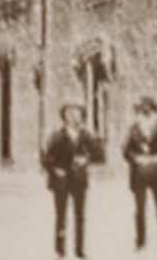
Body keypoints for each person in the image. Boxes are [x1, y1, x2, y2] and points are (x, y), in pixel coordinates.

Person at [41, 102, 96, 259]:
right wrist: (55, 170)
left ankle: (79, 250)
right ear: (64, 117)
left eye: (77, 113)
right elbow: (46, 158)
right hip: (61, 181)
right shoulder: (57, 136)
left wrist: (86, 159)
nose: (73, 116)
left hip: (79, 180)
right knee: (61, 215)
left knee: (80, 215)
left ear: (82, 116)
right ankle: (60, 250)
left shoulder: (86, 136)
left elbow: (99, 154)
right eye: (69, 113)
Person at [122, 95, 157, 251]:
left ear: (154, 110)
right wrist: (136, 158)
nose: (146, 111)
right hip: (139, 174)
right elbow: (126, 151)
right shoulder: (134, 129)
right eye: (143, 109)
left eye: (149, 109)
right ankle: (140, 240)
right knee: (140, 208)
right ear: (139, 111)